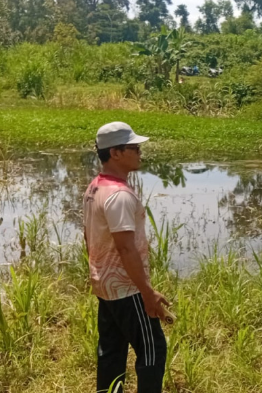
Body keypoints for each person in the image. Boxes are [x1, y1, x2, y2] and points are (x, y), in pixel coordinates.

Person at [83, 122, 169, 393]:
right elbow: (125, 248)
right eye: (135, 148)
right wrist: (147, 293)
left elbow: (89, 237)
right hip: (126, 287)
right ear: (116, 153)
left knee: (111, 350)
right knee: (152, 350)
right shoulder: (119, 196)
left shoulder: (95, 188)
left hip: (105, 285)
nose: (140, 152)